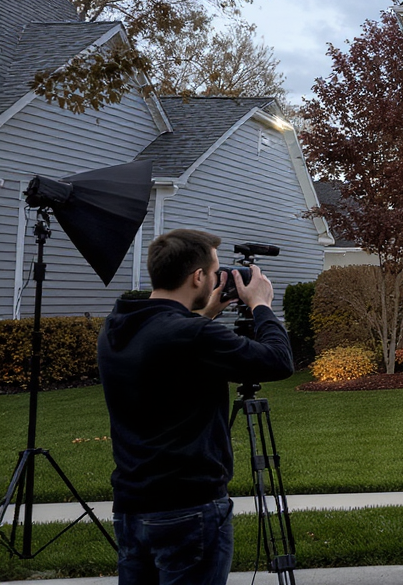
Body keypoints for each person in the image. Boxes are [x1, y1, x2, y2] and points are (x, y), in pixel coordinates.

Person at [97, 229, 294, 584]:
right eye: (216, 271)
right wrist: (261, 304)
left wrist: (205, 315)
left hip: (131, 507)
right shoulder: (193, 335)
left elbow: (164, 347)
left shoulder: (118, 326)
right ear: (198, 277)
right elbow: (278, 361)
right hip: (188, 508)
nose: (219, 278)